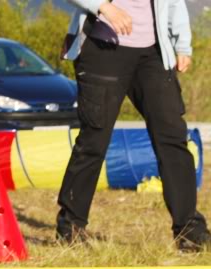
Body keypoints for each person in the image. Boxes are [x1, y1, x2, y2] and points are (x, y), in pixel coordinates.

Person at [57, 0, 210, 252]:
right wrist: (103, 7)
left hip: (153, 52)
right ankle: (70, 227)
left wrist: (182, 43)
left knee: (172, 138)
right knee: (94, 140)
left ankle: (190, 231)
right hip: (101, 49)